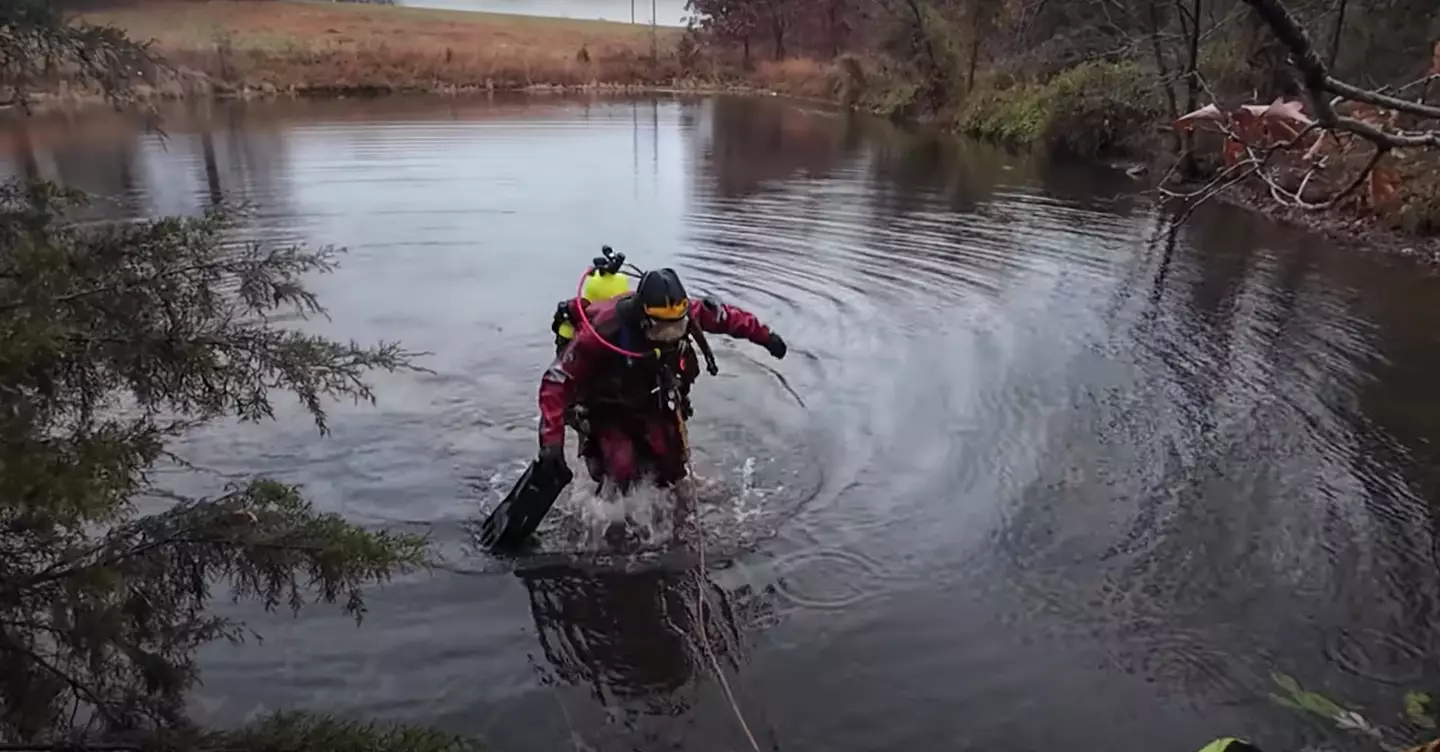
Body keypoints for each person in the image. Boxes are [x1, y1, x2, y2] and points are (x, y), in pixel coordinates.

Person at [537, 267, 787, 493]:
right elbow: (556, 380)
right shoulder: (603, 331)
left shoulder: (680, 312)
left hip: (651, 398)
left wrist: (766, 337)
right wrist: (551, 443)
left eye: (677, 328)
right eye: (662, 329)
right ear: (643, 318)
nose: (670, 336)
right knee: (621, 473)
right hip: (607, 406)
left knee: (672, 470)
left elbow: (727, 318)